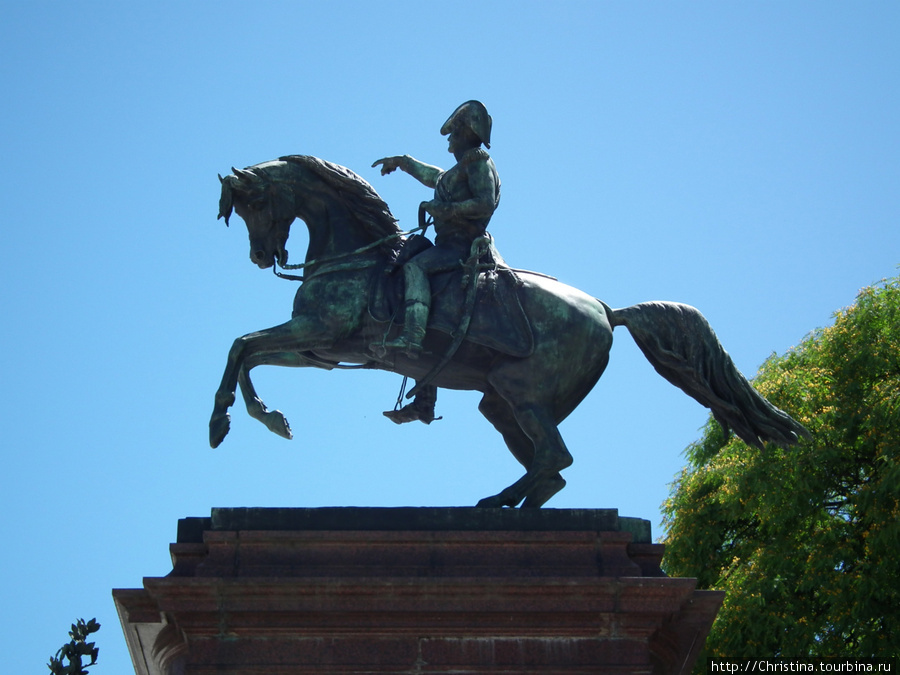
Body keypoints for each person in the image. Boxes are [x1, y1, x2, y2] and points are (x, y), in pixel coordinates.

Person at [372, 100, 501, 359]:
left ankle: (413, 335)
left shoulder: (478, 162)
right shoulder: (458, 170)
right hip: (447, 244)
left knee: (416, 267)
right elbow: (433, 176)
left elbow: (485, 202)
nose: (449, 139)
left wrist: (447, 210)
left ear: (466, 133)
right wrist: (402, 161)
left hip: (462, 245)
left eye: (454, 133)